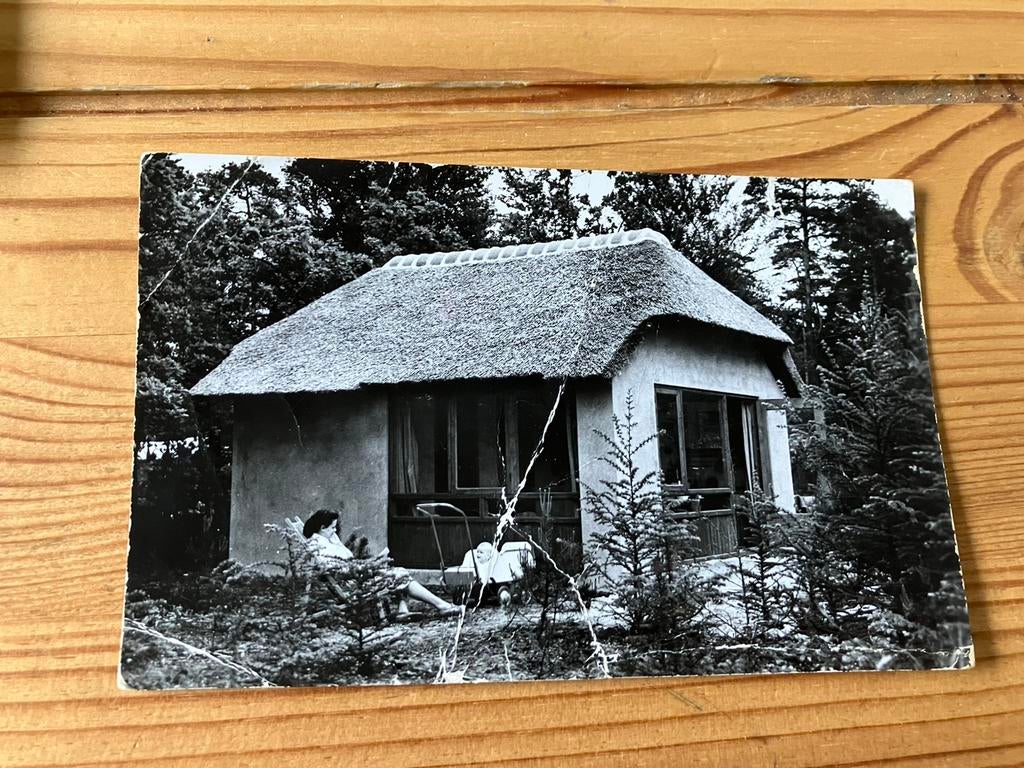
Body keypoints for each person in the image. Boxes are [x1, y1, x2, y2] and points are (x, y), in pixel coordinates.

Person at [302, 509, 461, 618]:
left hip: (356, 577)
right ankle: (441, 606)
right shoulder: (318, 545)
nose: (335, 531)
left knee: (397, 571)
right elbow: (335, 569)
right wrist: (367, 568)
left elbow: (344, 562)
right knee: (399, 574)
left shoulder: (328, 539)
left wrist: (370, 565)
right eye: (332, 528)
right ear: (322, 527)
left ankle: (404, 609)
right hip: (353, 584)